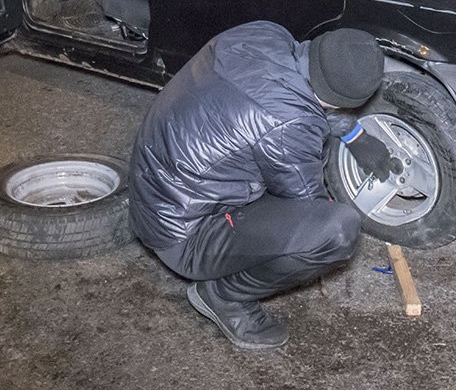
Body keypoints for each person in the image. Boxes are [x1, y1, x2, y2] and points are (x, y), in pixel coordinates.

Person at [129, 21, 395, 350]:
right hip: (182, 234)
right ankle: (224, 297)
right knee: (336, 232)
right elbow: (308, 205)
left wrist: (354, 135)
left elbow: (289, 94)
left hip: (154, 185)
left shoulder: (266, 34)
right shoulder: (290, 124)